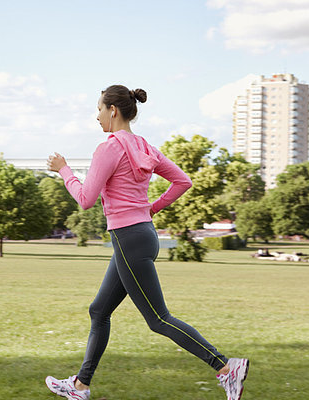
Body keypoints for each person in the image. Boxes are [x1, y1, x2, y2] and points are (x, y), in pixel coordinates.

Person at [45, 84, 249, 400]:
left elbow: (86, 199)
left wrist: (64, 171)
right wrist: (150, 209)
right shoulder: (145, 148)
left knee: (158, 319)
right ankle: (80, 386)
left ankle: (225, 367)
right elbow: (183, 181)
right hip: (143, 236)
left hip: (129, 240)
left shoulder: (108, 148)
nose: (96, 115)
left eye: (99, 108)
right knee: (99, 311)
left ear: (113, 110)